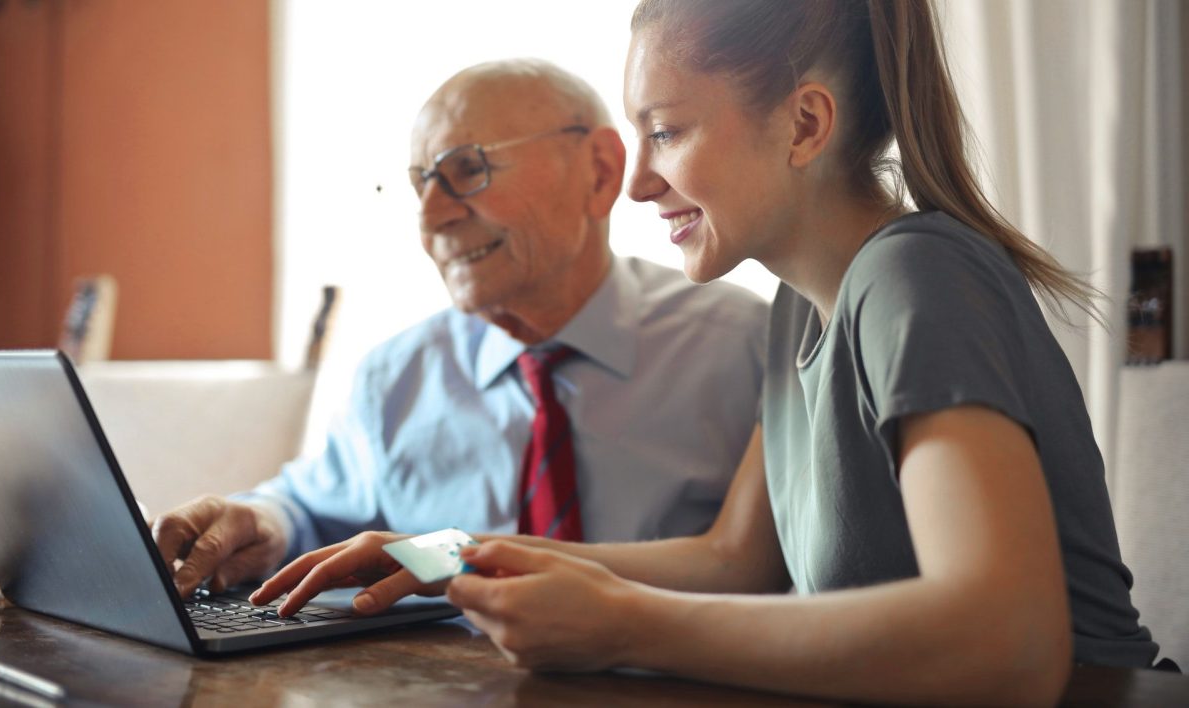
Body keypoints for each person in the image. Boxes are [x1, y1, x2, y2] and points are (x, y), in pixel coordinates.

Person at [251, 1, 1164, 703]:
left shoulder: (916, 276)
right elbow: (736, 559)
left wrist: (623, 628)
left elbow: (1009, 643)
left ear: (805, 126)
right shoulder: (798, 312)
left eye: (667, 131)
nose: (641, 182)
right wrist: (447, 556)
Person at [151, 58, 768, 601]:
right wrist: (260, 522)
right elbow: (311, 508)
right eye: (421, 184)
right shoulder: (397, 374)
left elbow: (764, 571)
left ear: (601, 172)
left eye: (466, 170)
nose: (431, 218)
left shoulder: (745, 346)